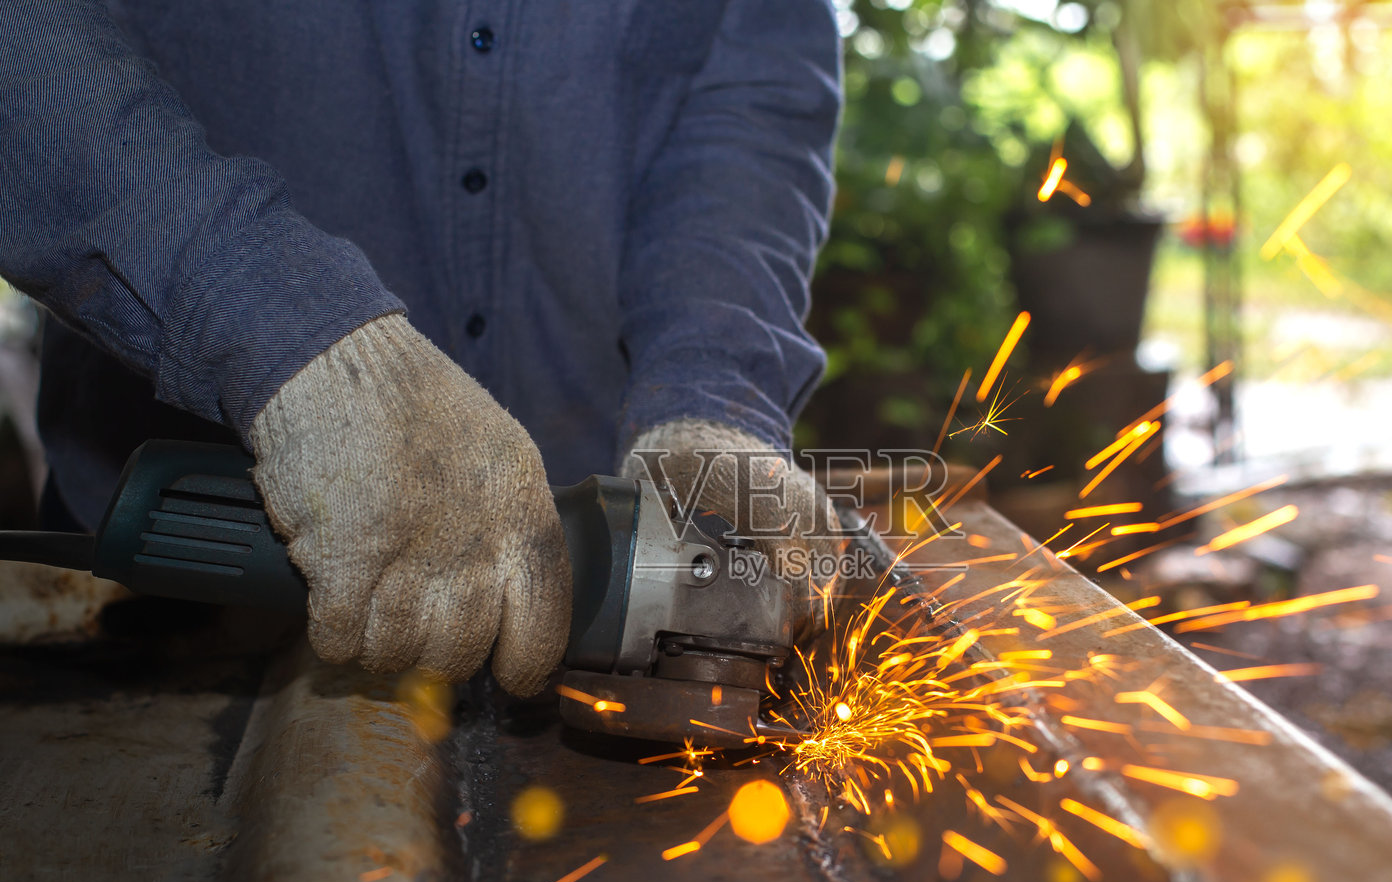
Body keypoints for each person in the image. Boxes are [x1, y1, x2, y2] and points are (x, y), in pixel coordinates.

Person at [0, 1, 842, 693]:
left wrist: (710, 392)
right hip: (166, 610)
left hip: (580, 605)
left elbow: (749, 99)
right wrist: (282, 333)